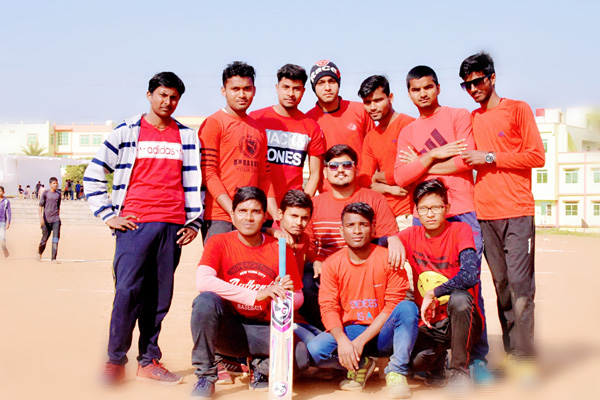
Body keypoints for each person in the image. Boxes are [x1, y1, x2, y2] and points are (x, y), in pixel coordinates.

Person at [83, 71, 203, 385]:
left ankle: (148, 361)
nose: (168, 102)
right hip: (134, 226)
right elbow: (93, 174)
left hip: (173, 227)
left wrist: (194, 222)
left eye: (174, 97)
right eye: (162, 95)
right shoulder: (126, 131)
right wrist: (108, 215)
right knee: (127, 293)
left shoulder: (188, 137)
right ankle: (115, 361)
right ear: (149, 95)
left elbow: (196, 184)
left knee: (159, 297)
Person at [393, 65, 491, 381]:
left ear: (437, 87)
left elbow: (466, 159)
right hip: (423, 213)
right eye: (416, 89)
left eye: (428, 87)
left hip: (461, 210)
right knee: (425, 282)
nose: (422, 94)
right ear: (409, 93)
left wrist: (421, 164)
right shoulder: (408, 131)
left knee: (470, 285)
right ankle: (435, 354)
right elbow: (400, 177)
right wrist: (436, 154)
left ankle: (476, 357)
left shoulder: (457, 116)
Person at [459, 52, 545, 378]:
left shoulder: (518, 109)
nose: (473, 89)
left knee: (522, 289)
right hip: (485, 214)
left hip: (517, 212)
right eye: (467, 85)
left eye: (478, 81)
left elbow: (536, 156)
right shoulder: (471, 118)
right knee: (503, 288)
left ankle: (526, 358)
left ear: (492, 78)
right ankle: (511, 354)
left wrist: (490, 156)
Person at [190, 186, 307, 398]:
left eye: (256, 212)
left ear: (264, 216)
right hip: (229, 329)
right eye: (242, 211)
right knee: (205, 302)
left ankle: (259, 366)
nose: (249, 218)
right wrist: (255, 295)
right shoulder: (218, 242)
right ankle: (205, 376)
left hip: (264, 329)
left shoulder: (280, 248)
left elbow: (299, 296)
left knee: (300, 357)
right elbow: (203, 281)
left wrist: (287, 295)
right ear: (233, 214)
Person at [307, 202, 415, 398]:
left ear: (373, 228)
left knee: (407, 308)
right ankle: (361, 364)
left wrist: (360, 342)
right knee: (316, 350)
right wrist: (342, 340)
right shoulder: (331, 264)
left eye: (363, 225)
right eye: (350, 225)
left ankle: (396, 372)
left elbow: (393, 305)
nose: (357, 231)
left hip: (384, 333)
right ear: (341, 230)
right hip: (352, 330)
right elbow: (328, 307)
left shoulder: (389, 258)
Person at [390, 178, 483, 395]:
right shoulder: (410, 235)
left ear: (446, 208)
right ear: (416, 211)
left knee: (460, 299)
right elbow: (377, 244)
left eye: (436, 208)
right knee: (414, 363)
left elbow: (470, 275)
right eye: (424, 209)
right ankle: (438, 362)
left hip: (461, 319)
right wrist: (392, 239)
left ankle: (459, 371)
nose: (430, 214)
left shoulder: (460, 230)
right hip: (430, 324)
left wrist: (434, 292)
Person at [300, 144, 403, 331]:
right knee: (307, 283)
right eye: (333, 166)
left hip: (365, 270)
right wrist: (315, 261)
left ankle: (367, 333)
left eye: (346, 165)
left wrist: (394, 239)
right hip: (327, 270)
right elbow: (308, 244)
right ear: (325, 172)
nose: (340, 170)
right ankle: (327, 333)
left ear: (356, 169)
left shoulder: (375, 199)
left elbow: (388, 236)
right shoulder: (314, 204)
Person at [199, 61, 277, 242]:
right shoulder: (213, 123)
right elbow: (209, 174)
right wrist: (232, 211)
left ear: (254, 90)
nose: (242, 95)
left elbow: (264, 177)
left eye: (246, 89)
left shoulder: (258, 129)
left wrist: (276, 217)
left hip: (250, 217)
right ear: (224, 91)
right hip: (220, 217)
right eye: (235, 89)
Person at [250, 64, 325, 204]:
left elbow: (315, 174)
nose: (290, 93)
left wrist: (302, 204)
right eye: (285, 87)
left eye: (296, 88)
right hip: (258, 204)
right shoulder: (256, 119)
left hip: (291, 206)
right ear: (277, 88)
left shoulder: (311, 127)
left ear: (303, 91)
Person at [357, 75, 415, 231]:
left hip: (409, 213)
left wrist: (378, 177)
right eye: (367, 102)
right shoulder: (371, 137)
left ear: (390, 98)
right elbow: (364, 181)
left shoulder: (408, 125)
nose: (372, 107)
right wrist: (389, 188)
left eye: (378, 100)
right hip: (382, 216)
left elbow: (411, 170)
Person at [37, 177, 61, 263]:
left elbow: (58, 207)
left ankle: (53, 258)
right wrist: (41, 219)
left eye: (56, 183)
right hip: (46, 220)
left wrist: (58, 217)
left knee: (55, 239)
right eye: (54, 183)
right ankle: (39, 252)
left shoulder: (58, 194)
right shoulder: (45, 194)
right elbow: (40, 206)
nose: (55, 185)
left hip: (56, 220)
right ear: (50, 184)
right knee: (44, 238)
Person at [0, 186, 11, 258]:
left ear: (3, 192)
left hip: (2, 222)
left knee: (2, 237)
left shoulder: (6, 201)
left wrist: (8, 222)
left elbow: (9, 212)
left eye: (0, 191)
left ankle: (4, 249)